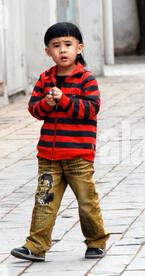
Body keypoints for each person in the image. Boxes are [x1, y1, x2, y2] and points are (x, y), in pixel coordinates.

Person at [11, 22, 110, 261]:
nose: (62, 50)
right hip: (49, 156)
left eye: (68, 45)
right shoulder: (45, 79)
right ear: (48, 51)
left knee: (87, 201)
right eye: (56, 46)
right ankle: (36, 245)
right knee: (44, 201)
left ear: (79, 48)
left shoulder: (86, 79)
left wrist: (64, 100)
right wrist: (48, 102)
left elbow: (91, 109)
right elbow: (34, 110)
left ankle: (96, 242)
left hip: (78, 156)